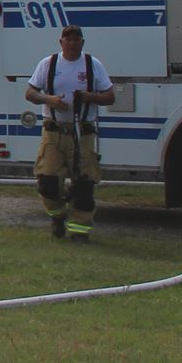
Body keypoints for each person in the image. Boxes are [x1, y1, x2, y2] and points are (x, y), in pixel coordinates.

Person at [25, 23, 114, 241]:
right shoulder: (49, 64)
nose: (72, 43)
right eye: (68, 39)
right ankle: (57, 216)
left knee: (84, 184)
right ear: (61, 42)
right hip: (54, 133)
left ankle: (79, 230)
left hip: (82, 134)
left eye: (76, 39)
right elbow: (30, 93)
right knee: (47, 182)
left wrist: (89, 97)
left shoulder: (93, 65)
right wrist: (49, 100)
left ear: (82, 42)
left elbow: (110, 97)